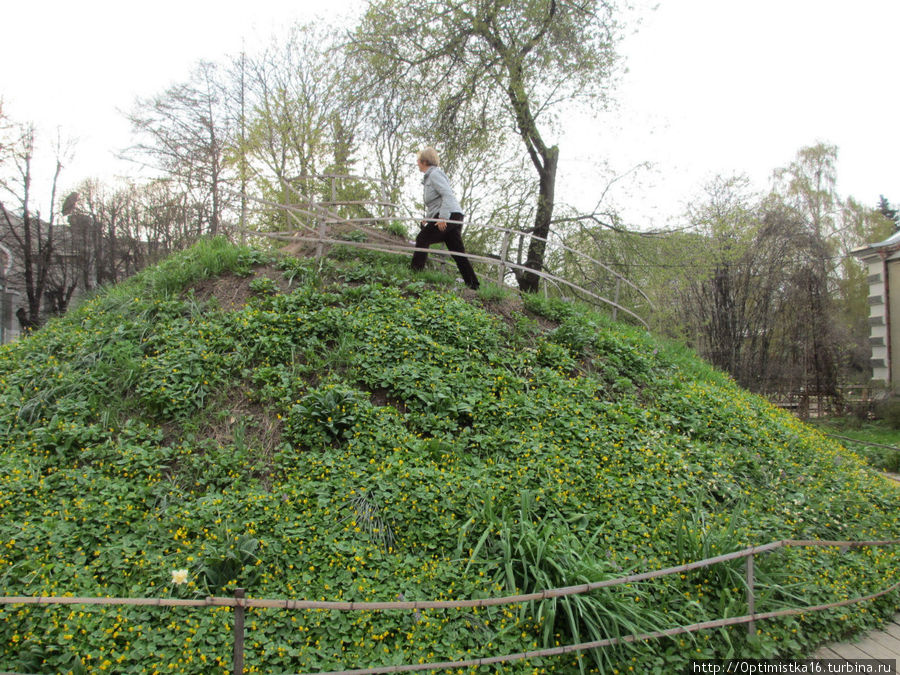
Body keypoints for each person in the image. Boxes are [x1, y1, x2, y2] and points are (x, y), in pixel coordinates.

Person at [411, 147, 480, 290]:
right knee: (457, 251)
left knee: (423, 239)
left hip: (449, 215)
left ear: (424, 161)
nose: (417, 163)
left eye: (418, 160)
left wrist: (443, 218)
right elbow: (436, 203)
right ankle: (473, 285)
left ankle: (415, 274)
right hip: (453, 214)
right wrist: (428, 218)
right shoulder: (430, 177)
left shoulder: (435, 174)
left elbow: (447, 195)